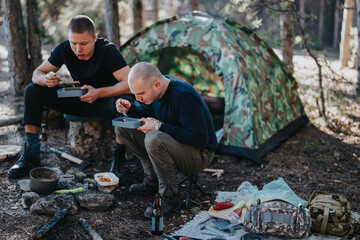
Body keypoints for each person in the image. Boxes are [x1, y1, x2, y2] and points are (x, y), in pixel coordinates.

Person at [8, 15, 131, 180]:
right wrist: (46, 79)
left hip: (105, 100)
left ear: (94, 38)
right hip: (78, 99)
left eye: (84, 43)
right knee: (33, 90)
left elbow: (130, 84)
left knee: (125, 103)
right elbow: (36, 74)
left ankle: (119, 160)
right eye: (74, 43)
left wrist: (99, 92)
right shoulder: (64, 48)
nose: (78, 49)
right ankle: (31, 154)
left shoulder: (108, 50)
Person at [115, 62, 218, 218]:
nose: (138, 98)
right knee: (123, 128)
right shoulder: (157, 91)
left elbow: (200, 138)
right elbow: (146, 110)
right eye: (134, 94)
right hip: (175, 144)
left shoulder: (182, 96)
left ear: (156, 85)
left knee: (154, 138)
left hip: (199, 154)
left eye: (140, 93)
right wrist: (131, 109)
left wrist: (158, 126)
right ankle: (153, 180)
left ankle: (169, 197)